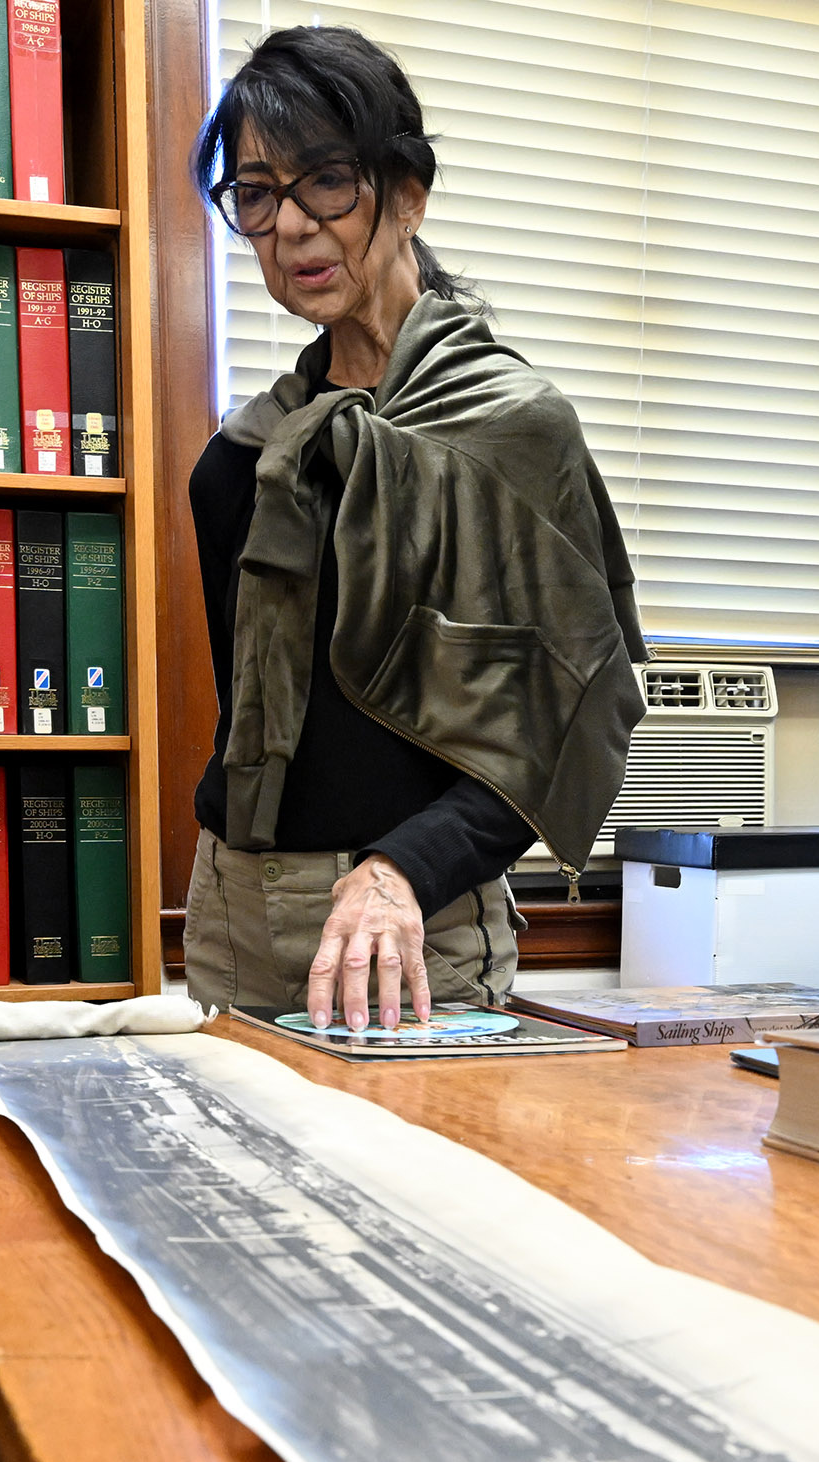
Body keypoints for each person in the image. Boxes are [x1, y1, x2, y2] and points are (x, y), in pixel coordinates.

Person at [185, 24, 649, 1033]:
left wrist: (404, 868)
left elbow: (572, 715)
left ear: (407, 193)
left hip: (412, 923)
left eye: (326, 182)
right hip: (232, 911)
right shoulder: (243, 463)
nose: (291, 227)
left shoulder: (512, 432)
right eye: (256, 194)